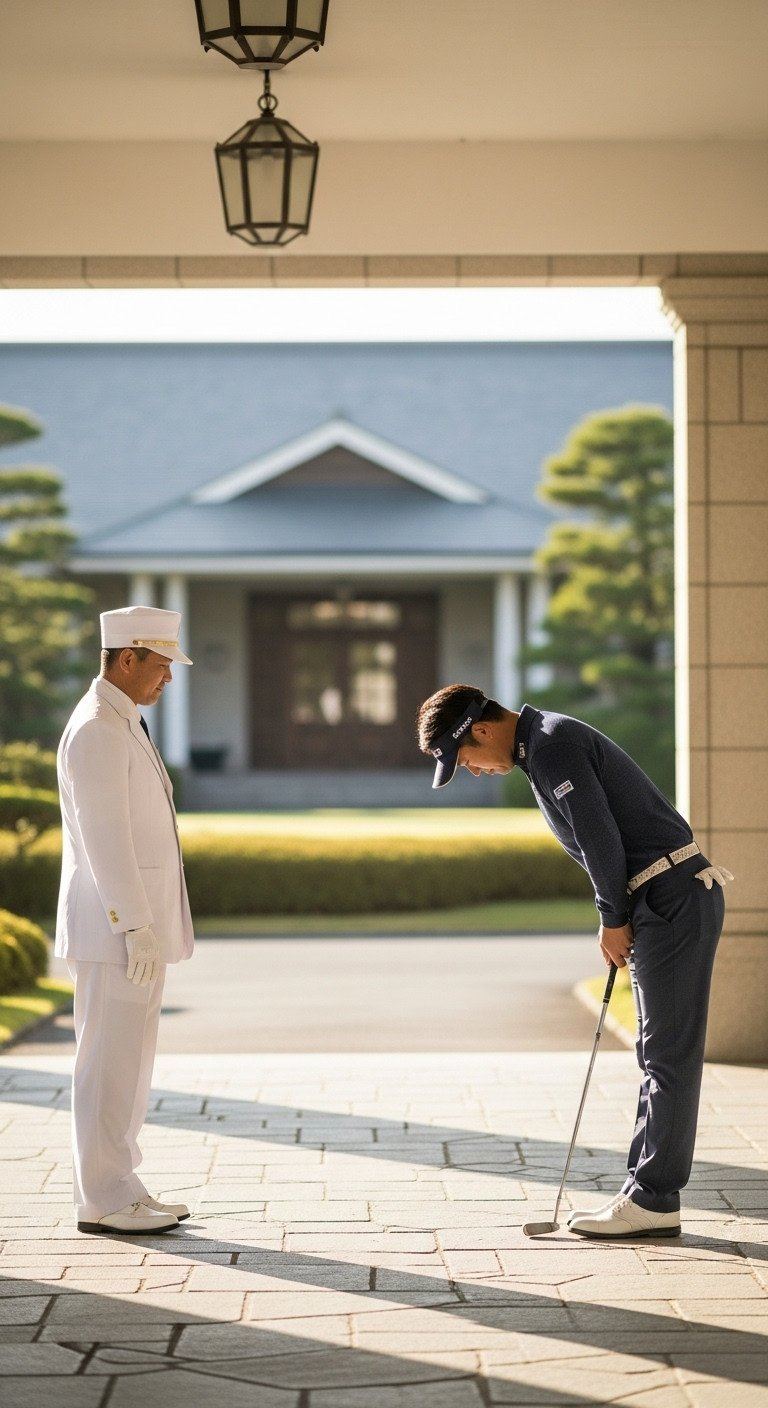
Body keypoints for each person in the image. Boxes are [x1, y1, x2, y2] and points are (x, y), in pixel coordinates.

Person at [417, 683, 733, 1240]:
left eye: (464, 759)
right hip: (662, 898)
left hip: (670, 897)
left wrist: (613, 919)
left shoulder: (552, 745)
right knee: (659, 1052)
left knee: (668, 1055)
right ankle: (647, 1192)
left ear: (482, 730)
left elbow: (600, 839)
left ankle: (654, 1198)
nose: (471, 770)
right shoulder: (540, 746)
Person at [56, 606, 195, 1235]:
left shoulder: (122, 722)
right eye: (161, 662)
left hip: (136, 931)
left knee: (129, 1064)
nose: (168, 675)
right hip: (117, 931)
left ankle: (121, 1184)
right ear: (128, 658)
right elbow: (104, 837)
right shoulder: (96, 730)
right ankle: (103, 1198)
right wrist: (133, 924)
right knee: (107, 1064)